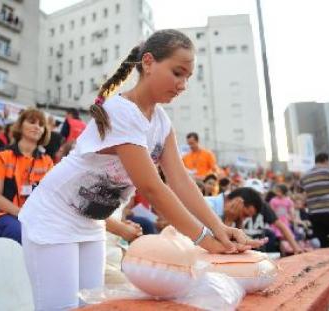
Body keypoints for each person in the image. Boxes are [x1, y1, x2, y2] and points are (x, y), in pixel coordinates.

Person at [18, 29, 266, 310]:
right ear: (148, 62)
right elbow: (153, 188)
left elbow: (180, 181)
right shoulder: (122, 111)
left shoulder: (161, 121)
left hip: (91, 223)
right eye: (177, 72)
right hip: (53, 217)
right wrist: (205, 240)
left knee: (89, 307)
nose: (183, 84)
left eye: (187, 77)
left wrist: (219, 228)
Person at [0, 109, 54, 243]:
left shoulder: (47, 162)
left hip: (33, 218)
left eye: (41, 125)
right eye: (32, 122)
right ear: (20, 125)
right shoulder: (0, 156)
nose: (37, 127)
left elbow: (51, 196)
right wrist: (23, 214)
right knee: (22, 232)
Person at [299, 152, 329, 247]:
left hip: (315, 214)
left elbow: (301, 194)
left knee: (323, 244)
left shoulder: (304, 176)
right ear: (326, 160)